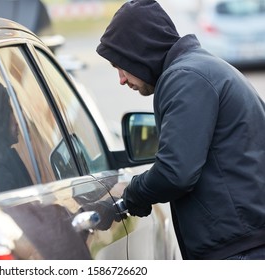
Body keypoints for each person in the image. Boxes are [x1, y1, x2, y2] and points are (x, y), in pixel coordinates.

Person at [96, 0, 265, 260]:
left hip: (241, 251)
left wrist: (131, 195)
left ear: (138, 51)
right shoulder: (201, 69)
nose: (121, 79)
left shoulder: (186, 77)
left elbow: (175, 173)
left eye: (120, 65)